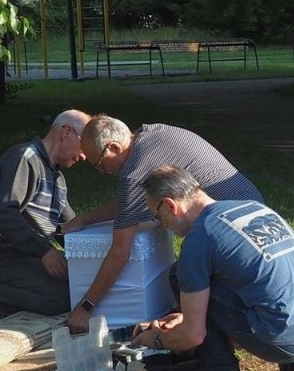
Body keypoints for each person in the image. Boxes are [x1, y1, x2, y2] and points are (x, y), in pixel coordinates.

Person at [132, 165, 294, 371]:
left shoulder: (200, 237)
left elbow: (193, 335)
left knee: (181, 275)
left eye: (157, 216)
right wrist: (183, 315)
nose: (162, 225)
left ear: (170, 205)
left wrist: (155, 340)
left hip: (283, 340)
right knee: (272, 300)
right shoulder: (253, 208)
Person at [62, 116, 265, 336]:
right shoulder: (155, 132)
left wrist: (85, 307)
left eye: (99, 164)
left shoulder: (134, 173)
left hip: (234, 240)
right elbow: (127, 203)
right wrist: (84, 219)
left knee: (182, 277)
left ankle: (215, 361)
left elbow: (120, 252)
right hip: (259, 217)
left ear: (113, 147)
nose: (103, 172)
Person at [0, 109, 92, 319]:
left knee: (81, 288)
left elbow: (68, 227)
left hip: (29, 255)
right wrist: (45, 252)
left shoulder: (56, 177)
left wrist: (95, 255)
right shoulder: (25, 159)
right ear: (66, 132)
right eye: (84, 145)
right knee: (63, 299)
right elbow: (5, 214)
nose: (85, 156)